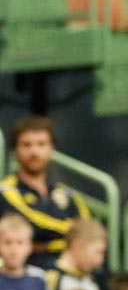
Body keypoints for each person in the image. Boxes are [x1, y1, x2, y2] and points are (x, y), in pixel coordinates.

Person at [2, 115, 92, 269]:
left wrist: (47, 244)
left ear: (52, 148)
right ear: (15, 149)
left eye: (41, 144)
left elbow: (88, 232)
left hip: (70, 273)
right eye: (27, 144)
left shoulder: (66, 194)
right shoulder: (5, 191)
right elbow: (35, 227)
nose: (34, 151)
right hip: (27, 273)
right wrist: (69, 237)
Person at [44, 218, 108, 290]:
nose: (100, 260)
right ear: (77, 245)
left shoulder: (92, 279)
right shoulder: (50, 278)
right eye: (97, 252)